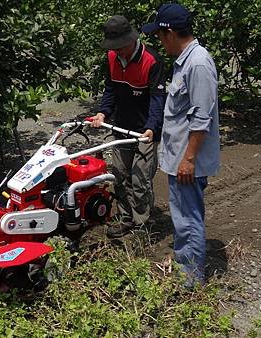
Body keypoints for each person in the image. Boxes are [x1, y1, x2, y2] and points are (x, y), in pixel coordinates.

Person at [142, 3, 220, 285]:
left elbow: (202, 119)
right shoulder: (187, 61)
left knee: (188, 219)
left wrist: (188, 159)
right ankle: (186, 268)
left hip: (188, 160)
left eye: (160, 37)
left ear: (170, 33)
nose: (160, 44)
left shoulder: (197, 64)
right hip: (180, 157)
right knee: (183, 217)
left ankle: (191, 282)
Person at [90, 15, 166, 238]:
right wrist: (103, 112)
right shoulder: (112, 57)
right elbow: (110, 89)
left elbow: (157, 98)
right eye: (115, 47)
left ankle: (141, 224)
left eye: (121, 47)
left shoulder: (152, 60)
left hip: (145, 131)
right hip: (122, 128)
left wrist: (152, 126)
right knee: (120, 175)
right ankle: (125, 218)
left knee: (140, 179)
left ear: (131, 40)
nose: (119, 51)